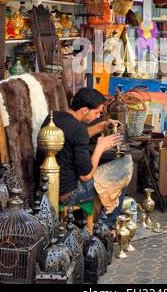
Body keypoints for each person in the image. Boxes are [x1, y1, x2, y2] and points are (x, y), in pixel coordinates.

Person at [36, 88, 129, 230]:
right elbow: (85, 176)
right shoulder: (78, 129)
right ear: (85, 110)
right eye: (97, 112)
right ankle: (108, 226)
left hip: (45, 188)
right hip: (68, 195)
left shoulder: (54, 117)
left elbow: (76, 135)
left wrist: (102, 126)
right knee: (124, 169)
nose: (98, 116)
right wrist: (100, 147)